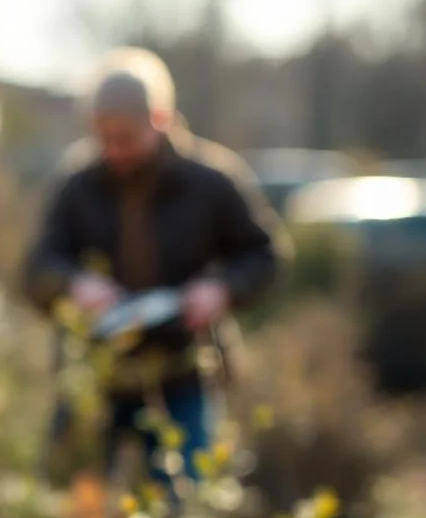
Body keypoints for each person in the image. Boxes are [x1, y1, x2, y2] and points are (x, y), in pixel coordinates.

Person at [25, 47, 288, 493]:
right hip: (95, 379)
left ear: (160, 119)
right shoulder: (77, 184)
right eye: (103, 138)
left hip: (183, 377)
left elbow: (264, 255)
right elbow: (36, 268)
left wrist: (222, 290)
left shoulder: (212, 182)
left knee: (181, 505)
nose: (114, 151)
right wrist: (74, 284)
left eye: (125, 138)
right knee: (69, 503)